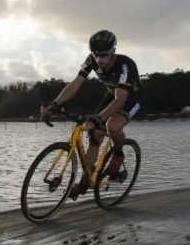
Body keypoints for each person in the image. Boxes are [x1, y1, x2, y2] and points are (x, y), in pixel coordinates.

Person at [40, 30, 142, 199]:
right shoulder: (91, 60)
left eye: (104, 55)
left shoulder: (125, 65)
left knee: (112, 126)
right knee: (94, 135)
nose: (99, 59)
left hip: (131, 97)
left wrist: (99, 118)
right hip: (112, 94)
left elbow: (121, 99)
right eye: (96, 55)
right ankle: (85, 181)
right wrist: (55, 104)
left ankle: (118, 153)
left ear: (113, 52)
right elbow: (76, 83)